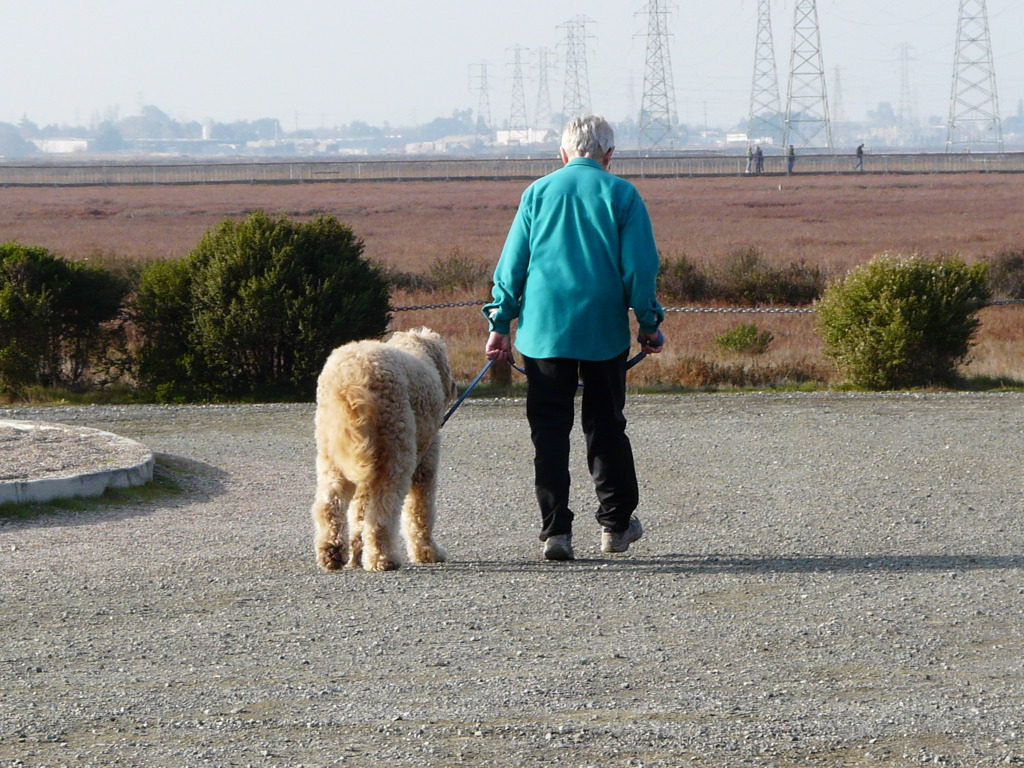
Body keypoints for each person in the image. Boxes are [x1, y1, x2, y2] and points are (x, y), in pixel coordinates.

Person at [483, 114, 665, 562]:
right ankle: (616, 525)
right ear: (608, 155)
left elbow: (512, 266)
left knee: (549, 433)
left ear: (562, 153)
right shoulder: (622, 193)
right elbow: (639, 268)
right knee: (605, 427)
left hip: (543, 332)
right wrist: (648, 321)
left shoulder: (537, 193)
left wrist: (500, 324)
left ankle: (555, 533)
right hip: (603, 330)